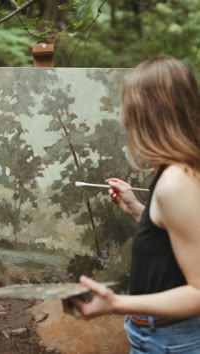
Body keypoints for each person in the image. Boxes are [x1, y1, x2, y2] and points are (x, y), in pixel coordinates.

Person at [64, 57, 200, 353]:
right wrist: (140, 210)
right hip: (163, 336)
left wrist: (117, 303)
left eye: (128, 105)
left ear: (148, 113)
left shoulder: (176, 181)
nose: (123, 114)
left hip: (172, 341)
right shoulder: (178, 171)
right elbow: (179, 244)